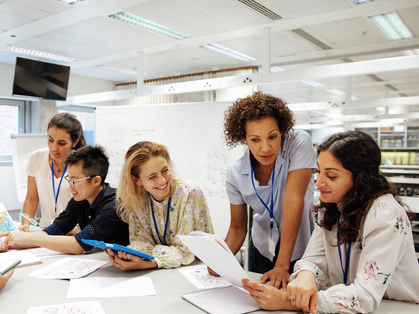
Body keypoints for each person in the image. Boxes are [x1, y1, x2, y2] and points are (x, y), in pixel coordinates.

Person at [242, 131, 419, 313]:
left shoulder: (384, 214)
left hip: (396, 308)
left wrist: (289, 301)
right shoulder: (331, 206)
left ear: (360, 179)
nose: (318, 182)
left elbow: (365, 296)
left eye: (331, 176)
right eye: (318, 171)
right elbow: (312, 258)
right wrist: (306, 275)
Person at [217, 92, 316, 289]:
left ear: (282, 131)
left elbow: (293, 200)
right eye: (255, 140)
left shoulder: (298, 143)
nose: (265, 148)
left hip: (300, 247)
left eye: (272, 136)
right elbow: (237, 228)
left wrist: (281, 265)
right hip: (261, 248)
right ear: (243, 138)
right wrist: (221, 262)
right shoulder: (235, 172)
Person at [105, 141, 214, 270]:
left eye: (165, 170)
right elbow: (141, 244)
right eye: (152, 177)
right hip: (161, 272)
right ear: (137, 180)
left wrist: (150, 262)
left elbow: (186, 252)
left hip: (196, 271)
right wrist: (127, 254)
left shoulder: (189, 192)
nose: (162, 180)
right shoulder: (137, 199)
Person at [0, 145, 129, 254]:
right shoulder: (79, 200)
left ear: (96, 180)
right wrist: (12, 241)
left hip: (130, 269)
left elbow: (79, 245)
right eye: (69, 179)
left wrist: (30, 238)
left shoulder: (114, 204)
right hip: (102, 261)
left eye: (75, 181)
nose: (70, 186)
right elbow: (52, 232)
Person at [21, 112, 87, 230]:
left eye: (62, 143)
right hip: (45, 231)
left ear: (75, 142)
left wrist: (80, 229)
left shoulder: (83, 163)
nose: (54, 148)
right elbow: (31, 199)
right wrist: (25, 226)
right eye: (50, 140)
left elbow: (88, 204)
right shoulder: (36, 158)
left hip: (73, 232)